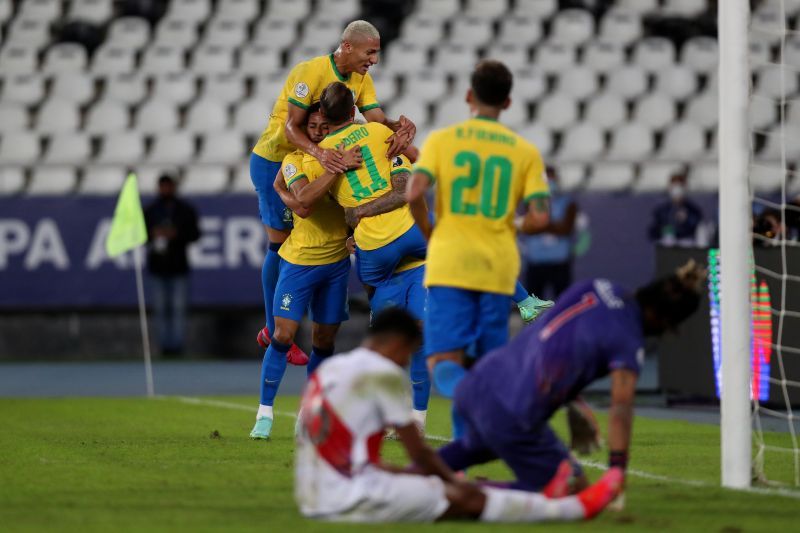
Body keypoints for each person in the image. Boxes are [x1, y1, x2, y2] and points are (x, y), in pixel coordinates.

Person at [294, 307, 623, 523]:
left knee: (435, 486)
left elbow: (338, 448)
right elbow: (419, 452)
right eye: (409, 353)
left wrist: (400, 474)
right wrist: (449, 480)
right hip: (350, 498)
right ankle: (574, 508)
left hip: (313, 495)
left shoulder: (333, 367)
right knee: (466, 498)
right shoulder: (383, 373)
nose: (408, 362)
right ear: (397, 343)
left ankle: (537, 492)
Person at [437, 261, 706, 494]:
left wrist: (572, 401)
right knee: (572, 486)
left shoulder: (597, 285)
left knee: (477, 448)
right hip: (513, 413)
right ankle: (462, 494)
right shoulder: (628, 339)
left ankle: (407, 480)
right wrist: (617, 470)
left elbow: (555, 341)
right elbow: (621, 407)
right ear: (665, 321)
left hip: (479, 381)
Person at [249, 19, 415, 361]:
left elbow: (377, 121)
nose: (374, 60)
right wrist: (321, 153)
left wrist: (402, 127)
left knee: (335, 233)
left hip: (321, 162)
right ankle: (273, 328)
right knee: (279, 243)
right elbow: (293, 128)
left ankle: (321, 321)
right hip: (276, 159)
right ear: (349, 46)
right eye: (370, 52)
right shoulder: (310, 72)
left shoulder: (361, 79)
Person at [405, 60, 551, 439]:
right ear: (508, 103)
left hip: (449, 262)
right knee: (484, 363)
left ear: (469, 96)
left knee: (442, 362)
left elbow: (414, 191)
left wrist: (430, 232)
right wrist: (511, 223)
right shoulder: (525, 152)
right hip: (497, 267)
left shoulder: (442, 140)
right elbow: (539, 218)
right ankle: (462, 458)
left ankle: (494, 404)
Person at [297, 81, 431, 429]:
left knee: (383, 330)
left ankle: (380, 415)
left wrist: (351, 224)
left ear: (323, 116)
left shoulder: (322, 154)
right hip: (411, 231)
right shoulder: (376, 131)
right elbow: (406, 171)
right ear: (354, 111)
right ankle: (417, 417)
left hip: (373, 245)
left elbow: (310, 202)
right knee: (420, 331)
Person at [249, 104, 353, 440]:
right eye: (314, 127)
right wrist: (334, 170)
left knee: (324, 341)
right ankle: (264, 415)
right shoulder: (295, 160)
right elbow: (305, 204)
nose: (320, 132)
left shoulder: (349, 152)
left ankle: (308, 413)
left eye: (325, 126)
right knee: (282, 335)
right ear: (304, 130)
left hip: (337, 264)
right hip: (299, 263)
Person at [144, 175, 200, 356]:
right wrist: (154, 234)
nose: (165, 190)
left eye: (168, 186)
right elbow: (142, 235)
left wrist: (176, 234)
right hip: (158, 266)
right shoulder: (151, 211)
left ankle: (177, 347)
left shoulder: (184, 210)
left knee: (178, 309)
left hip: (178, 266)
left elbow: (195, 234)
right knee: (160, 309)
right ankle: (163, 347)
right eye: (163, 186)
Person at [519, 166, 579, 300]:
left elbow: (566, 229)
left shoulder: (568, 203)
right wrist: (552, 225)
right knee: (533, 305)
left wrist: (541, 223)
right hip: (536, 262)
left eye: (551, 179)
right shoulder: (530, 201)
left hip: (559, 263)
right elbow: (528, 228)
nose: (549, 184)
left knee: (563, 302)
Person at [648, 171, 704, 246]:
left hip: (689, 247)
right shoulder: (662, 210)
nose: (677, 190)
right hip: (667, 249)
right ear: (670, 187)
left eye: (680, 187)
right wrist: (665, 231)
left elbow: (698, 226)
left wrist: (687, 219)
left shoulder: (693, 210)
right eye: (675, 186)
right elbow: (653, 232)